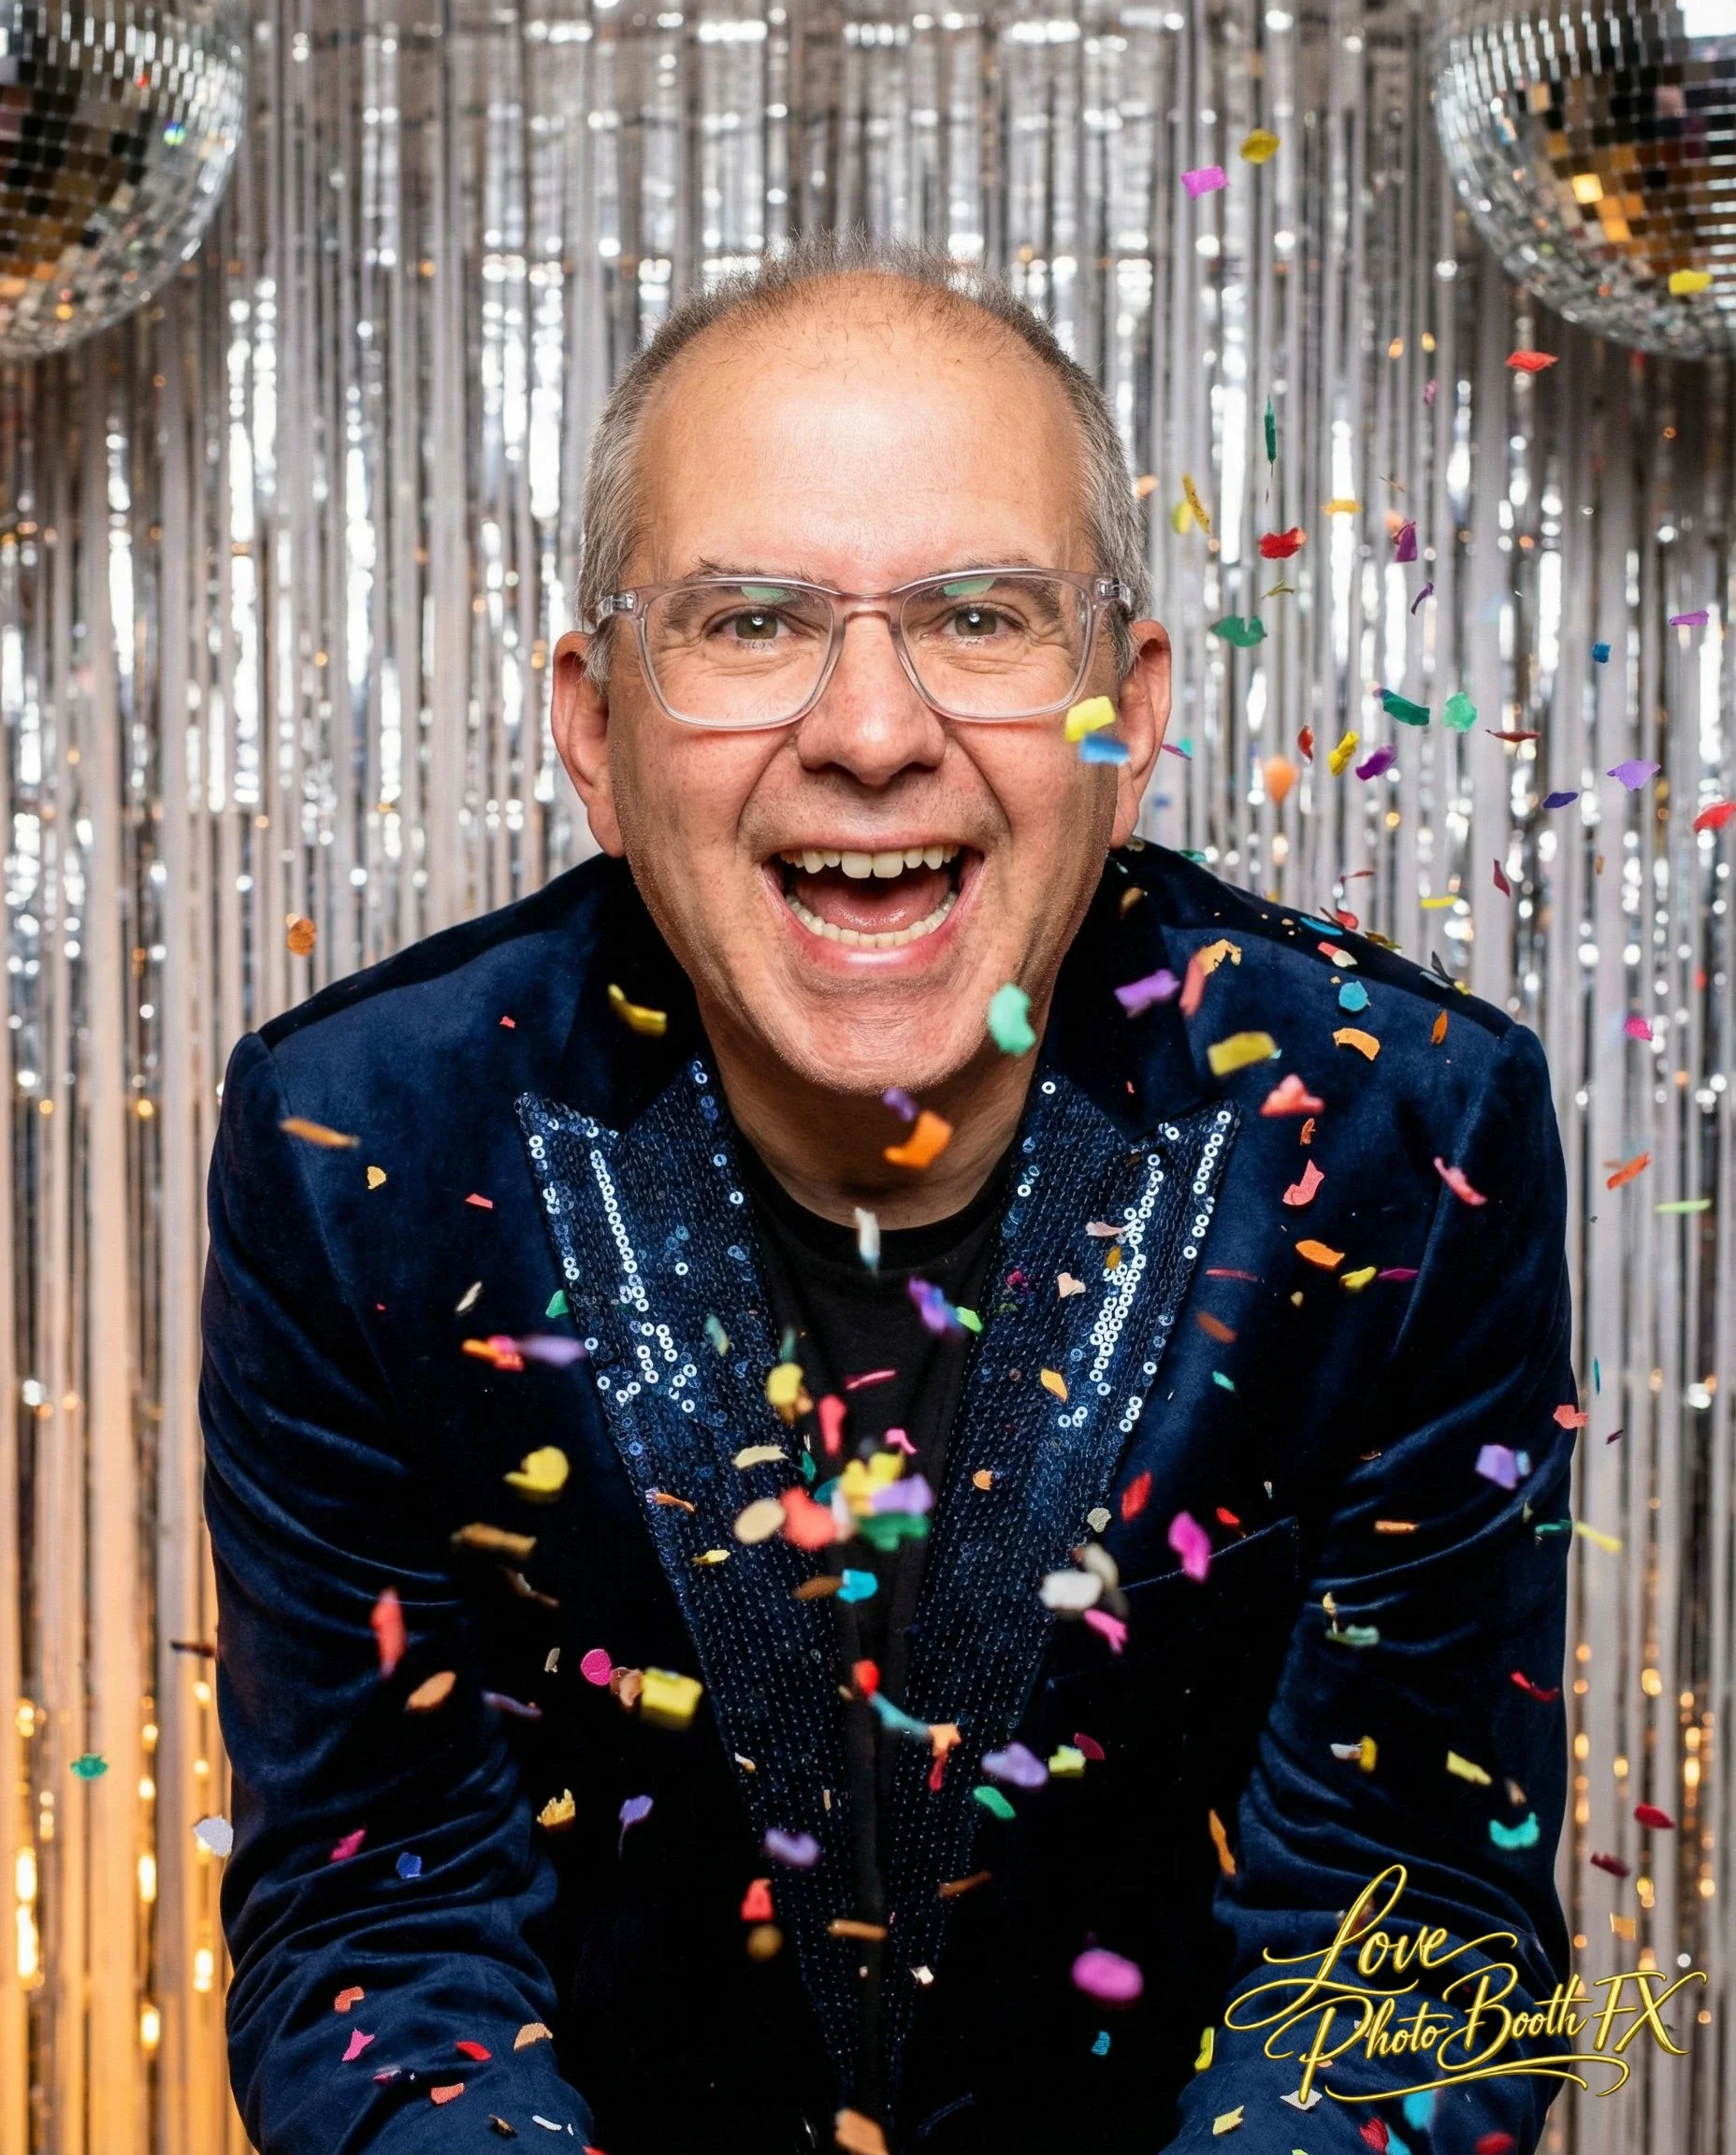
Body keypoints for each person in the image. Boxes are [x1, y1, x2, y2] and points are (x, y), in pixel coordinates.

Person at [201, 233, 1574, 2155]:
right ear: (596, 725)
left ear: (1127, 708)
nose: (867, 730)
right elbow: (380, 1914)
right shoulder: (360, 1150)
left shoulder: (1401, 1137)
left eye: (982, 618)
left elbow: (1412, 1928)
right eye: (751, 621)